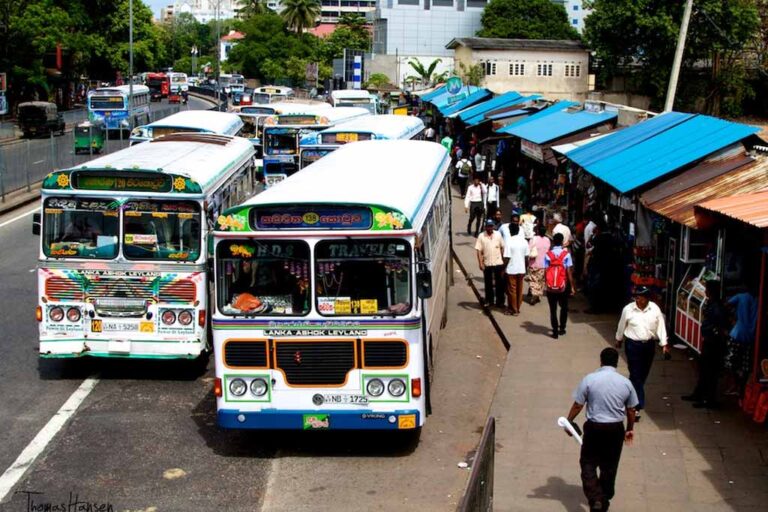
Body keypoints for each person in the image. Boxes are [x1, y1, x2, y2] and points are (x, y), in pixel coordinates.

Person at [564, 347, 638, 512]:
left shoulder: (590, 379)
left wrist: (568, 421)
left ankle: (596, 497)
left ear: (601, 361)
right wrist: (629, 429)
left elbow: (578, 404)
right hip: (615, 429)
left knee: (588, 463)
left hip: (594, 428)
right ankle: (604, 497)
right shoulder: (625, 383)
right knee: (610, 465)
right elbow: (631, 409)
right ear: (617, 363)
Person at [614, 286, 670, 420]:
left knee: (641, 376)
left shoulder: (655, 309)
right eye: (636, 297)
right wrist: (619, 338)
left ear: (646, 298)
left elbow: (661, 326)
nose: (637, 300)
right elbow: (621, 325)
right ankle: (637, 406)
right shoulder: (628, 309)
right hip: (633, 345)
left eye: (640, 297)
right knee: (636, 374)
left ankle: (628, 397)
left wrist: (664, 344)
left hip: (648, 346)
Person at [682, 280, 728, 409]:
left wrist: (713, 334)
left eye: (707, 289)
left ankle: (708, 399)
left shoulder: (717, 307)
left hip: (714, 344)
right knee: (704, 370)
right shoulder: (713, 304)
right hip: (709, 341)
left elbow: (719, 327)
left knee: (710, 372)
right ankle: (699, 394)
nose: (705, 291)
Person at [724, 287, 758, 394]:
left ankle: (735, 385)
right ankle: (741, 388)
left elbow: (726, 305)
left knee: (731, 362)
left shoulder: (741, 296)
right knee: (745, 365)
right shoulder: (758, 300)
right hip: (750, 336)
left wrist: (733, 318)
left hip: (737, 333)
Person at [545, 233, 575, 339]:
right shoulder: (566, 254)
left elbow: (546, 270)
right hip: (563, 285)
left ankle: (555, 331)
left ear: (553, 242)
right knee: (564, 307)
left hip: (551, 287)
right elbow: (569, 272)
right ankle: (562, 328)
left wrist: (547, 284)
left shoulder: (548, 254)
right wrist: (572, 286)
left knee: (553, 310)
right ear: (562, 242)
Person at [474, 219, 505, 308]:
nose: (490, 228)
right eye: (489, 226)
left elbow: (502, 247)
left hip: (498, 263)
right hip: (487, 263)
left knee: (500, 284)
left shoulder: (498, 234)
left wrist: (503, 261)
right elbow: (478, 251)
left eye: (491, 226)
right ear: (485, 227)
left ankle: (500, 302)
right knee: (488, 284)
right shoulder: (481, 236)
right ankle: (490, 301)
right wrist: (480, 263)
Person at [503, 223, 529, 316]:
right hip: (521, 269)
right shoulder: (524, 241)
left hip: (511, 269)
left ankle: (514, 309)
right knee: (519, 290)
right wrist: (525, 268)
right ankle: (517, 307)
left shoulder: (509, 241)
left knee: (512, 290)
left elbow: (507, 257)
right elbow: (526, 257)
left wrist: (503, 269)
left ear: (510, 231)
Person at [527, 224, 551, 305]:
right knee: (540, 281)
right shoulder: (547, 240)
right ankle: (537, 296)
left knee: (534, 280)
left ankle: (534, 295)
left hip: (534, 263)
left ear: (537, 231)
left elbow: (528, 250)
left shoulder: (533, 239)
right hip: (543, 264)